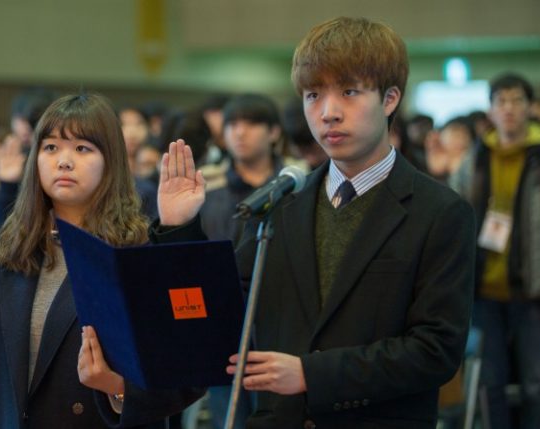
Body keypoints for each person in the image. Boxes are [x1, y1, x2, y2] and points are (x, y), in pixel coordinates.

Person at [152, 16, 475, 428]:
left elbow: (436, 351)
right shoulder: (282, 204)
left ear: (390, 99)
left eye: (349, 92)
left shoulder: (440, 212)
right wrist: (179, 229)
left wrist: (310, 375)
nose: (328, 113)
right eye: (313, 95)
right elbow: (221, 313)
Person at [0, 93, 201, 428]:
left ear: (111, 161)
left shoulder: (135, 251)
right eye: (50, 147)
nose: (63, 161)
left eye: (82, 149)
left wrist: (117, 387)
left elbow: (188, 364)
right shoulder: (12, 252)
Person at [450, 73, 540, 429]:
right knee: (490, 383)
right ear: (491, 110)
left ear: (529, 107)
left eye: (516, 100)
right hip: (484, 288)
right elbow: (456, 217)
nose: (509, 109)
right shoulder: (475, 158)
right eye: (501, 101)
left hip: (534, 286)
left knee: (537, 383)